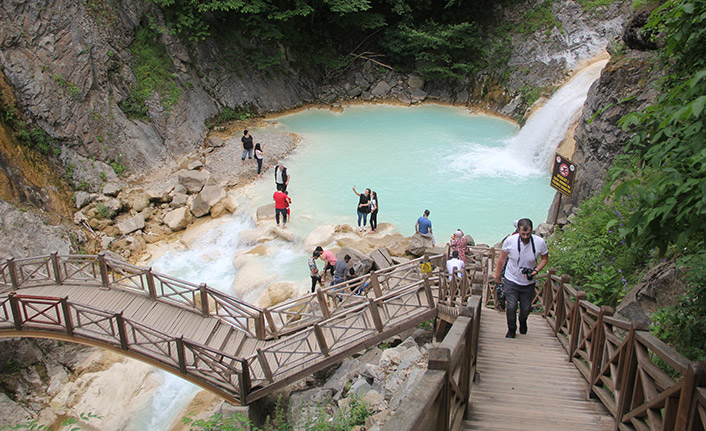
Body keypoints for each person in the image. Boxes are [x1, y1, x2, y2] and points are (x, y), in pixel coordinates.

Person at [493, 218, 549, 339]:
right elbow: (502, 259)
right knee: (511, 306)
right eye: (523, 234)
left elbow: (545, 258)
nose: (525, 237)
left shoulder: (539, 242)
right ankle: (511, 329)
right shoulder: (510, 241)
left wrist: (536, 270)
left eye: (528, 234)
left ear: (531, 231)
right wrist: (497, 275)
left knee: (526, 308)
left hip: (528, 282)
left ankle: (523, 321)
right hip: (511, 279)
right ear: (518, 230)